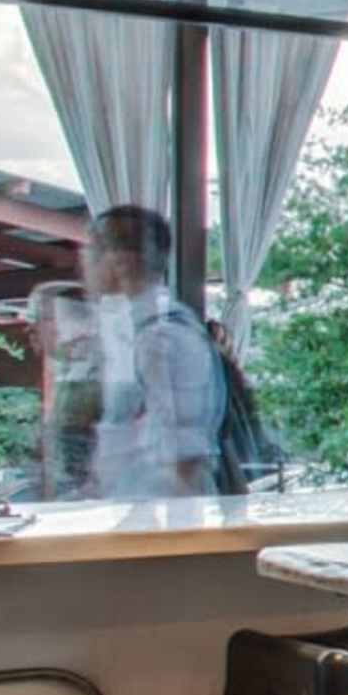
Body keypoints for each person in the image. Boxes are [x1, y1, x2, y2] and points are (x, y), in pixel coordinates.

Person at [73, 204, 227, 498]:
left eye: (92, 252)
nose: (83, 263)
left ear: (120, 261)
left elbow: (186, 455)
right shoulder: (136, 331)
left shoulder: (162, 337)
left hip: (157, 524)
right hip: (138, 516)